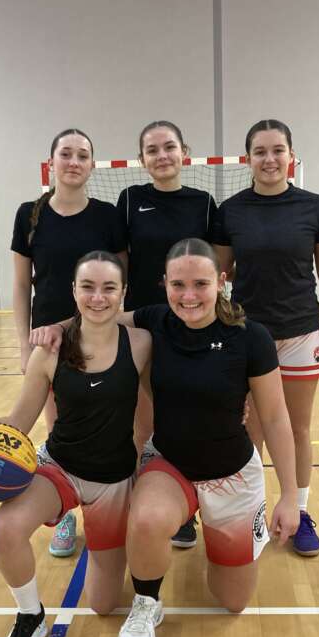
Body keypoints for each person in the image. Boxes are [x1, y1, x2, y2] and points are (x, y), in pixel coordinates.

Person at [32, 238, 299, 637]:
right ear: (165, 284)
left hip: (232, 474)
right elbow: (98, 313)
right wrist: (57, 327)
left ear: (221, 282)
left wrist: (290, 495)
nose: (188, 296)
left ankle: (220, 543)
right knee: (146, 519)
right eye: (178, 285)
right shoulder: (155, 321)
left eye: (200, 284)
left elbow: (277, 418)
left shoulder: (252, 338)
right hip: (171, 462)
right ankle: (147, 602)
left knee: (232, 600)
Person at [0, 252, 151, 637]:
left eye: (109, 288)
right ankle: (30, 615)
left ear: (123, 293)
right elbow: (17, 424)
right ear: (73, 291)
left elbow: (168, 400)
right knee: (6, 528)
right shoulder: (49, 352)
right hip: (60, 467)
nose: (98, 297)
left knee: (103, 605)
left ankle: (104, 544)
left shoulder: (141, 344)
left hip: (114, 480)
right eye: (88, 287)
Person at [213, 119, 319, 558]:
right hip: (248, 335)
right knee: (250, 429)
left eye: (278, 150)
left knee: (298, 428)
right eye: (260, 151)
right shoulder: (231, 211)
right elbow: (218, 274)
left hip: (301, 333)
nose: (269, 159)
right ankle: (251, 511)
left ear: (291, 155)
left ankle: (300, 511)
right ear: (247, 158)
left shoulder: (316, 208)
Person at [11, 129, 127, 558]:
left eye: (82, 155)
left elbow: (121, 281)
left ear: (92, 165)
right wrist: (24, 344)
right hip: (48, 340)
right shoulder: (29, 215)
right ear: (52, 163)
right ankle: (64, 515)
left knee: (108, 424)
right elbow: (21, 285)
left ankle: (112, 505)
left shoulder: (108, 216)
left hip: (98, 332)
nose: (74, 162)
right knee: (57, 427)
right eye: (66, 154)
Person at [116, 120, 216, 548]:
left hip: (192, 325)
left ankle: (190, 507)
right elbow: (120, 265)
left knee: (189, 420)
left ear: (184, 152)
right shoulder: (129, 200)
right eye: (152, 150)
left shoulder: (204, 204)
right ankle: (147, 505)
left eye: (169, 147)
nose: (162, 156)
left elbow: (216, 268)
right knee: (144, 424)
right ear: (141, 159)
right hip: (144, 325)